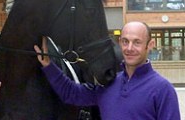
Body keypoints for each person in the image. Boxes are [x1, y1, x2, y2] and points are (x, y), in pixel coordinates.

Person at [34, 21, 181, 120]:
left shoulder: (163, 89)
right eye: (125, 41)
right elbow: (71, 93)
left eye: (137, 42)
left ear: (150, 45)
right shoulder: (109, 84)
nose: (129, 48)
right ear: (120, 43)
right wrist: (48, 66)